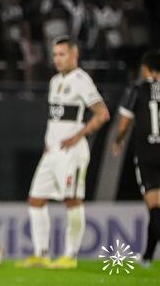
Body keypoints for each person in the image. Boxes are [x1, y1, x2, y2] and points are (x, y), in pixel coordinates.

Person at [17, 36, 110, 269]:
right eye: (55, 55)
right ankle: (41, 253)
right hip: (52, 152)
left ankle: (70, 256)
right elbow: (55, 119)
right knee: (36, 199)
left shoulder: (82, 80)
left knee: (72, 200)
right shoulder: (54, 81)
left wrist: (79, 135)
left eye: (62, 54)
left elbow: (102, 114)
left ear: (74, 55)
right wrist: (49, 143)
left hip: (72, 152)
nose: (57, 59)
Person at [113, 50, 160, 267]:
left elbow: (123, 124)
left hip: (147, 155)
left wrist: (118, 140)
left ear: (146, 69)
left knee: (155, 208)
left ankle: (147, 257)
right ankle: (148, 257)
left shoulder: (136, 89)